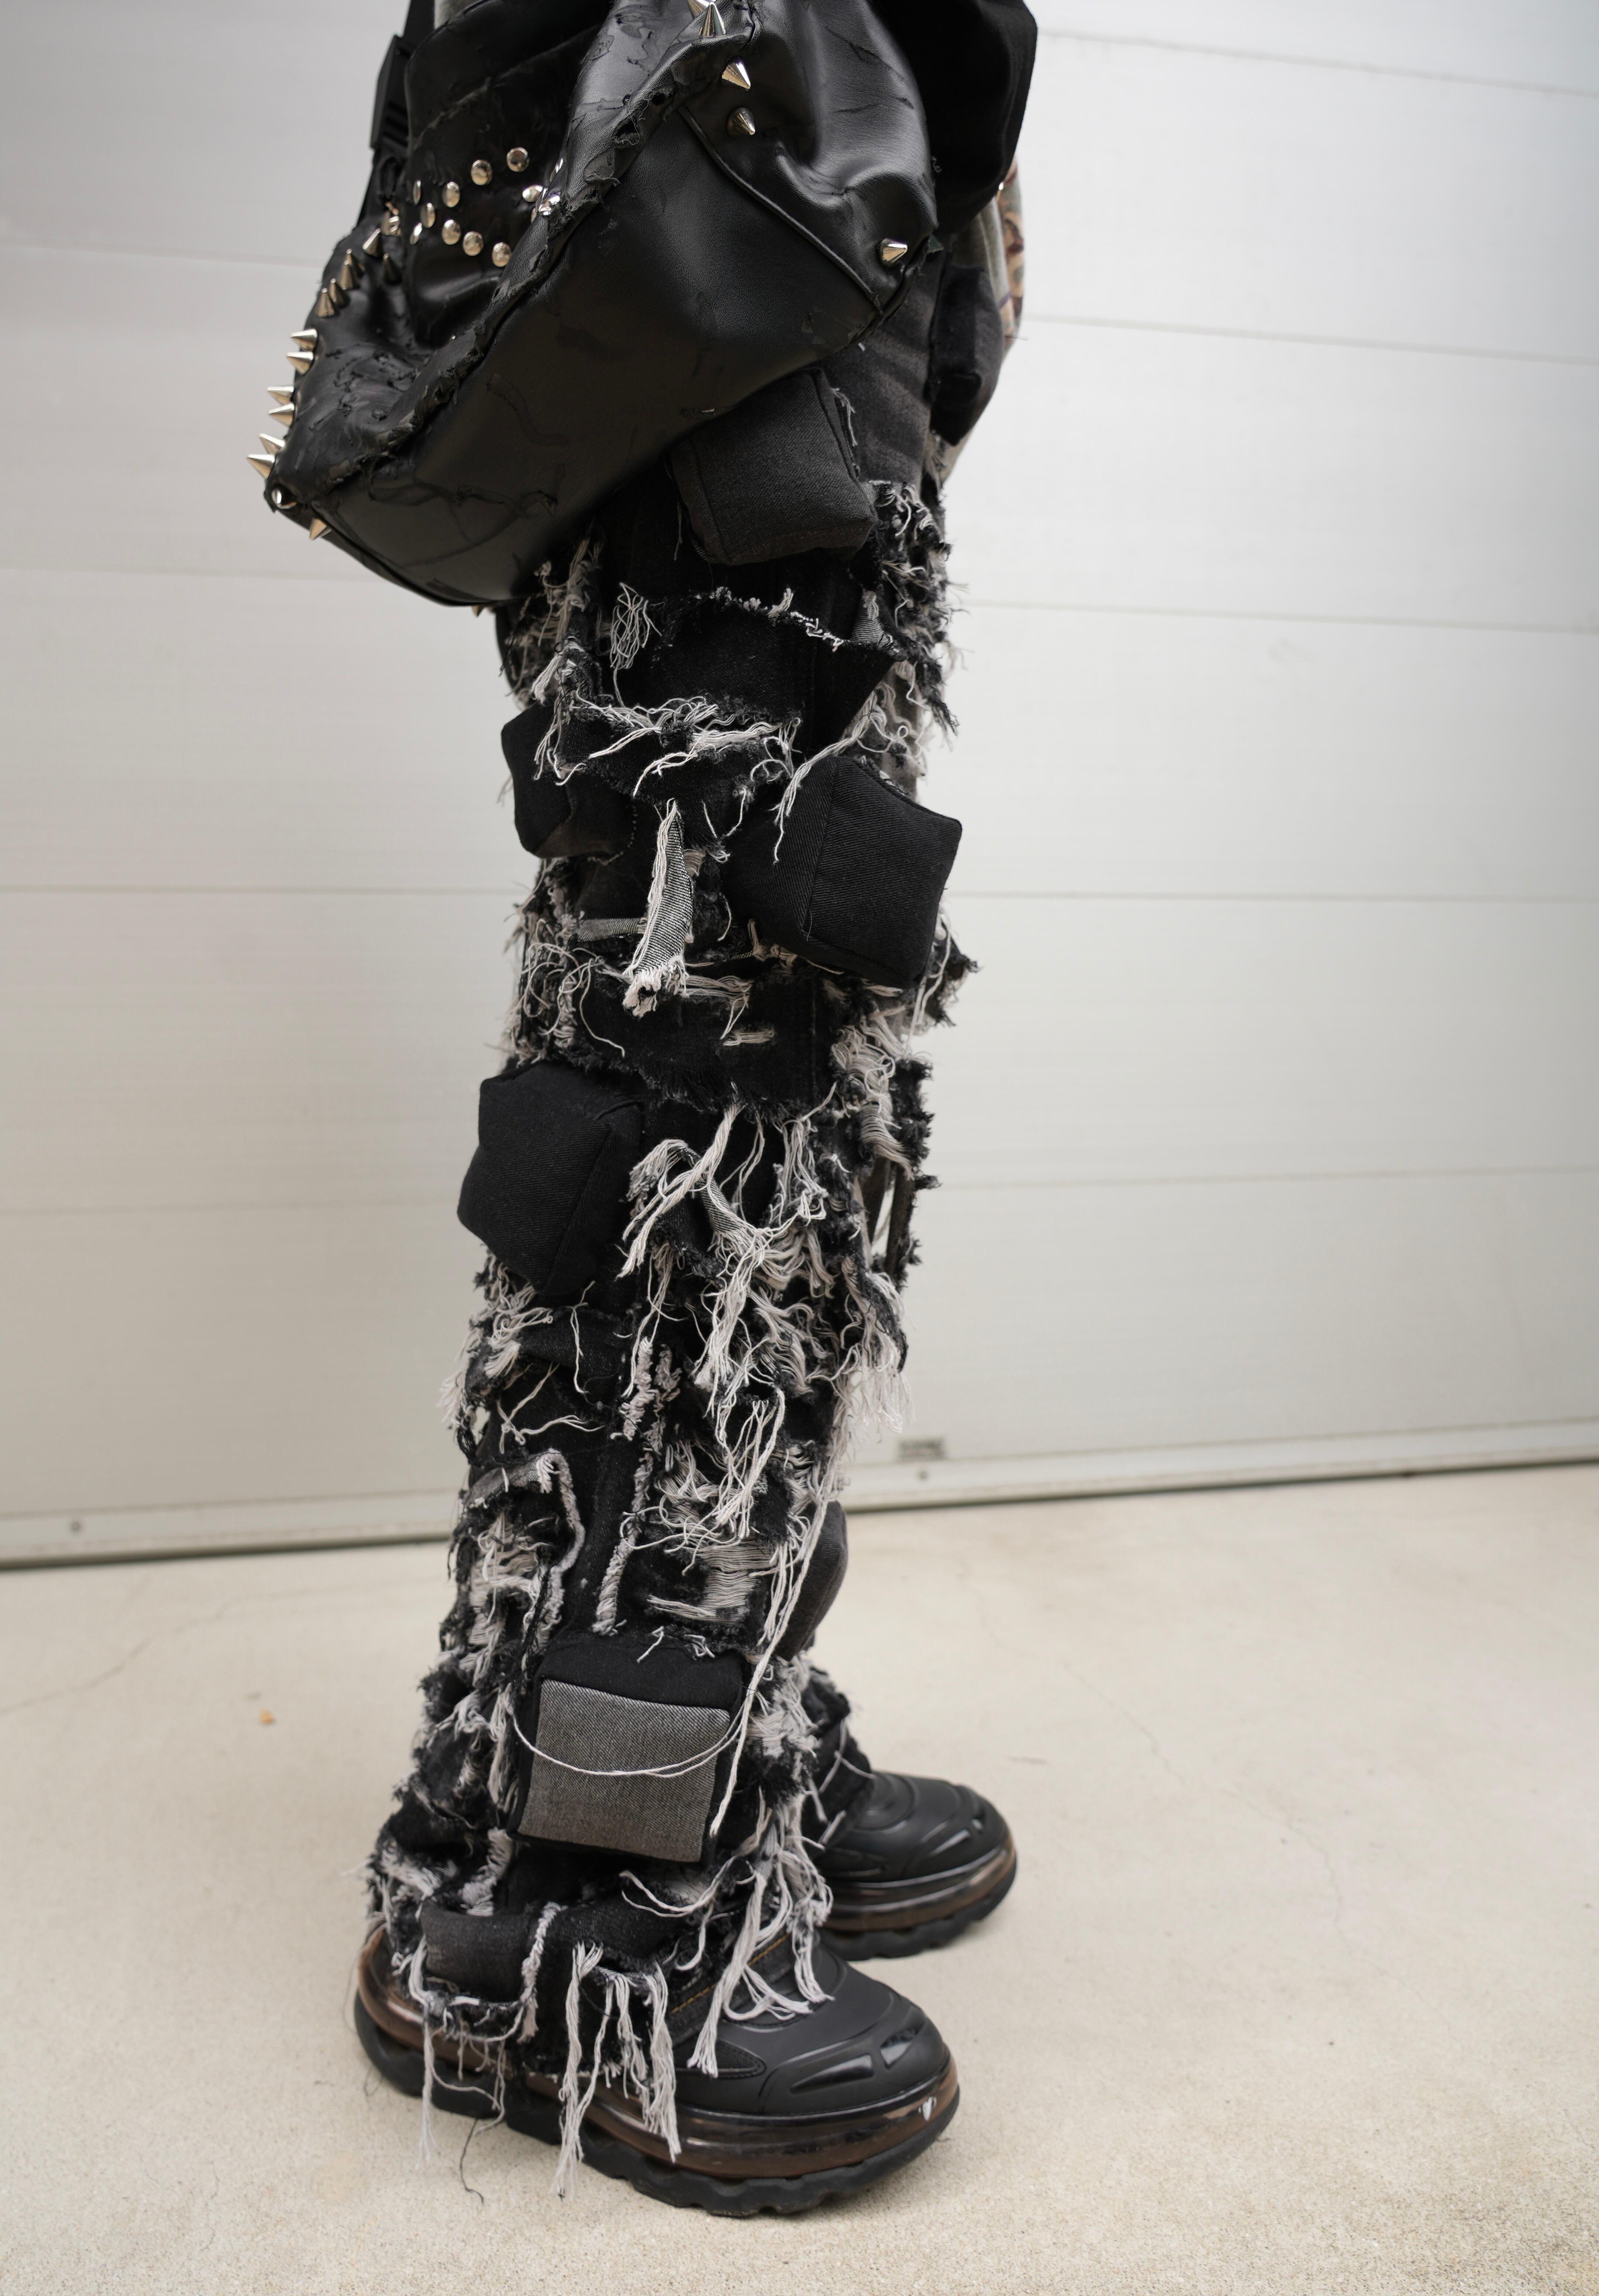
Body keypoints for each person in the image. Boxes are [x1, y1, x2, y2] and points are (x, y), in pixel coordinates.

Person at [270, 0, 1036, 2215]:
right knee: (675, 1138)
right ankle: (553, 1897)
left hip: (802, 337)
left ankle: (708, 1715)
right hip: (708, 317)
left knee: (762, 1153)